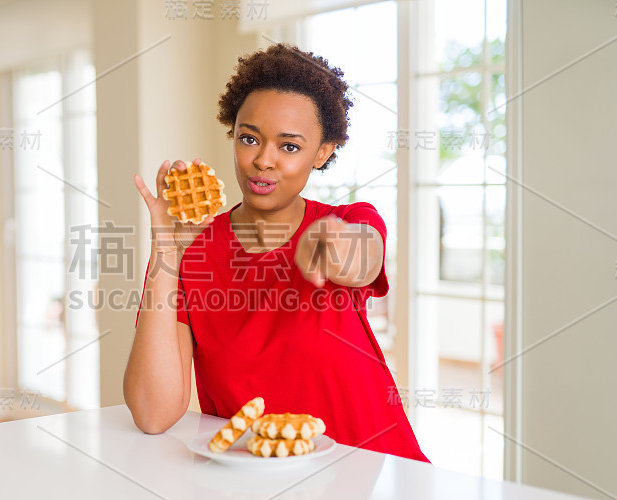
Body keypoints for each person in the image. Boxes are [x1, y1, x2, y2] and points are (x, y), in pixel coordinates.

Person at [125, 43, 429, 463]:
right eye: (250, 138)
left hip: (375, 473)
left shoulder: (348, 220)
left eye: (289, 147)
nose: (262, 160)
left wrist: (330, 243)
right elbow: (153, 413)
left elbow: (362, 258)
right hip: (257, 487)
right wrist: (165, 243)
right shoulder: (190, 253)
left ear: (322, 151)